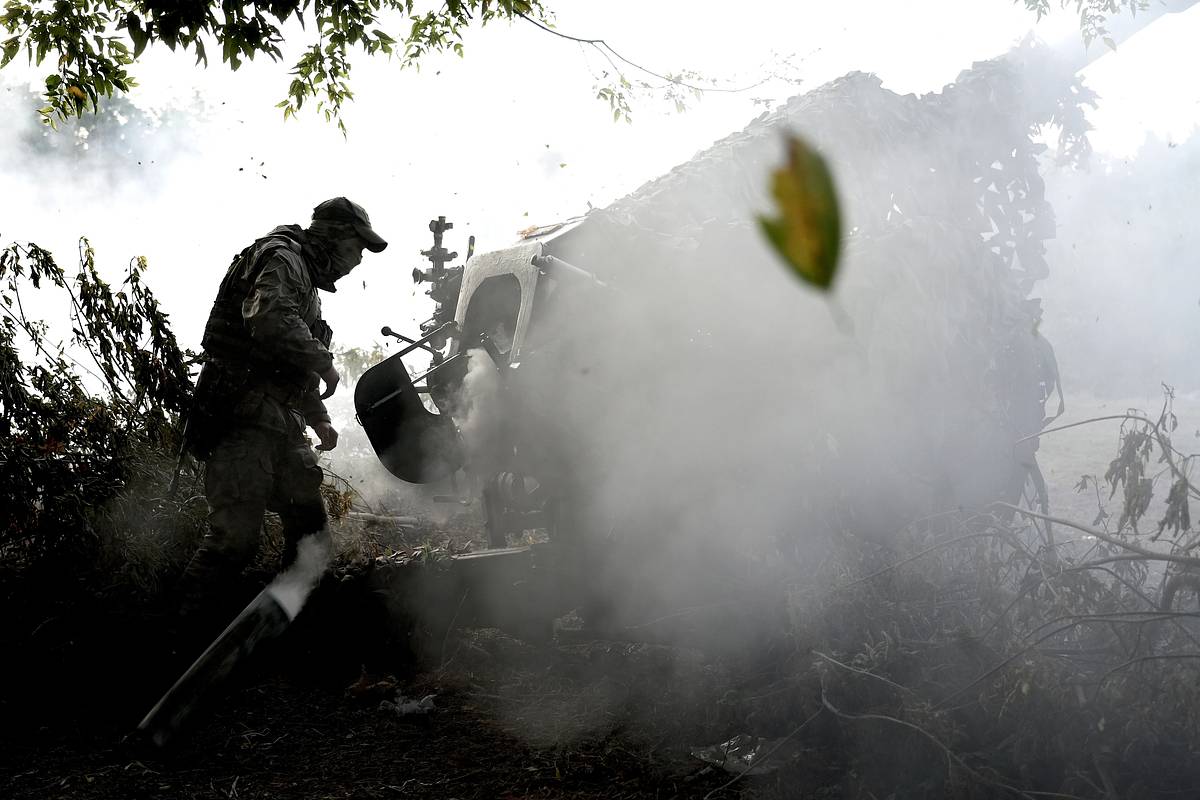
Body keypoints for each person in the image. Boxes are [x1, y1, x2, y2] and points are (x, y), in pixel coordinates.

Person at [178, 197, 387, 622]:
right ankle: (180, 643)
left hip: (277, 422)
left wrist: (319, 416)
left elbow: (283, 363)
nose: (358, 261)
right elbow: (269, 318)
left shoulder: (302, 275)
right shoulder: (282, 257)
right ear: (334, 237)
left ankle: (285, 629)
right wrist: (323, 361)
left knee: (310, 535)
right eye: (356, 248)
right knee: (232, 541)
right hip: (242, 419)